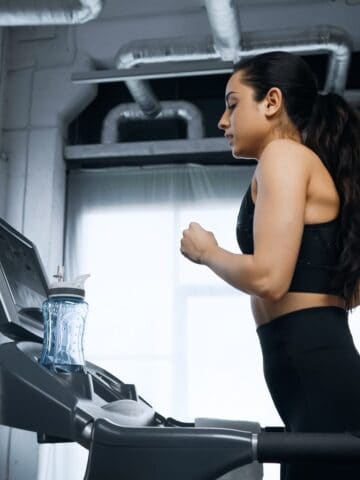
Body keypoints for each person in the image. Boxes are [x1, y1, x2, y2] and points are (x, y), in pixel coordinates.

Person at [180, 51, 360, 479]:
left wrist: (208, 252)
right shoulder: (298, 162)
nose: (222, 121)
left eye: (232, 103)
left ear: (272, 101)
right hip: (313, 372)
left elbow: (270, 278)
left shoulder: (283, 156)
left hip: (318, 374)